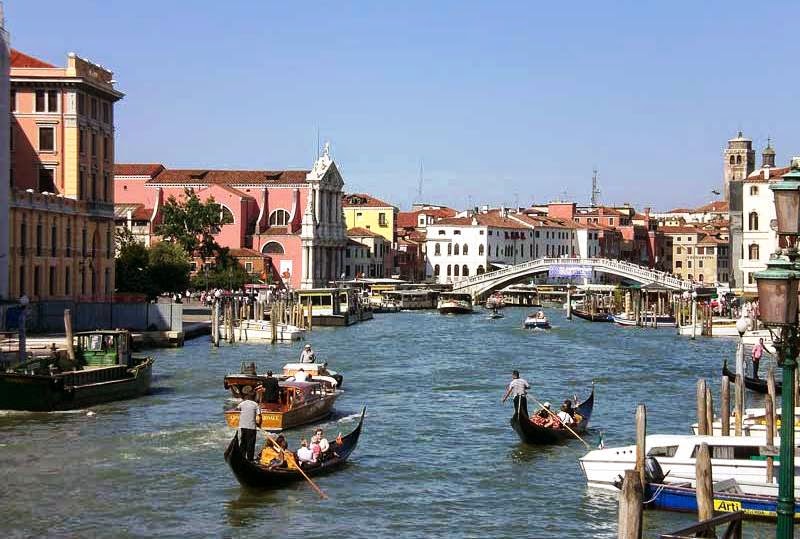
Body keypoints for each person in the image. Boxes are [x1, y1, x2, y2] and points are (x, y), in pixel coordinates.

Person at [237, 392, 261, 461]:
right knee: (251, 444)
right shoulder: (256, 404)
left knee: (243, 442)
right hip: (252, 427)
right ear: (253, 398)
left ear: (247, 398)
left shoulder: (242, 403)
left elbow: (237, 409)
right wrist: (259, 424)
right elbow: (259, 416)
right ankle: (250, 459)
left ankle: (242, 457)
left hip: (243, 426)